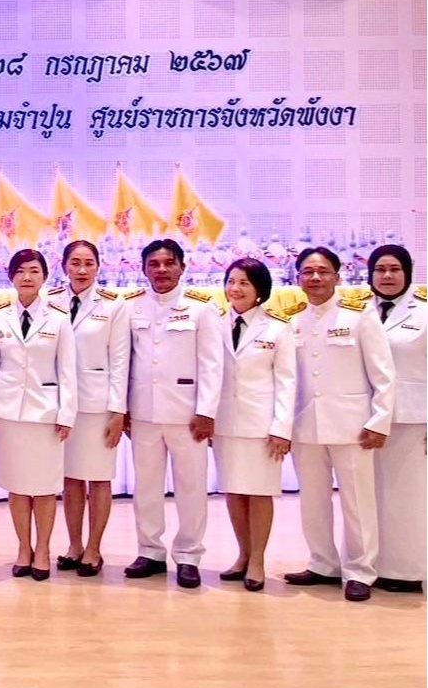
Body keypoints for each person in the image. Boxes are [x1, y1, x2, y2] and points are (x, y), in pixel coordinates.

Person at [284, 246, 394, 602]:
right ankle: (322, 563)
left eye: (323, 272)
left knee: (358, 502)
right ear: (297, 278)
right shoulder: (293, 321)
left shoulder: (360, 317)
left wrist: (380, 420)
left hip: (353, 427)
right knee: (312, 500)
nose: (315, 278)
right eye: (307, 272)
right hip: (305, 426)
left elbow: (383, 374)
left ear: (337, 275)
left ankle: (361, 570)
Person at [123, 238, 223, 590]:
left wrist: (207, 411)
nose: (161, 270)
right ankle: (149, 551)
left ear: (182, 267)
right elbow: (124, 362)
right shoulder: (132, 307)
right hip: (144, 412)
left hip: (187, 414)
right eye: (154, 264)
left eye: (168, 263)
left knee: (191, 487)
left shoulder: (201, 308)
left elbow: (213, 364)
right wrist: (123, 409)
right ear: (144, 269)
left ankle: (189, 555)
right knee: (146, 487)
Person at [0, 250, 76, 581]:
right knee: (16, 485)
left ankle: (43, 549)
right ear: (11, 276)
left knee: (43, 486)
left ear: (44, 277)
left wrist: (67, 413)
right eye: (21, 271)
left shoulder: (59, 319)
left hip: (45, 414)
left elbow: (68, 372)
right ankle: (23, 548)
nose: (27, 277)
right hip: (10, 414)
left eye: (34, 271)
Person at [213, 258, 296, 593]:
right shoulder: (215, 323)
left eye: (244, 282)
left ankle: (259, 559)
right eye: (231, 281)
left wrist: (281, 428)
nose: (236, 288)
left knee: (259, 493)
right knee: (234, 490)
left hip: (262, 427)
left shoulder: (278, 329)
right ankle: (242, 554)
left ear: (260, 289)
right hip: (224, 424)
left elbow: (287, 382)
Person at [52, 240, 130, 578]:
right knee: (70, 479)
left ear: (99, 266)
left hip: (98, 405)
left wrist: (118, 410)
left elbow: (121, 359)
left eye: (88, 263)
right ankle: (74, 545)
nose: (81, 270)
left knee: (98, 479)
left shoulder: (114, 306)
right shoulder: (50, 300)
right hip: (60, 406)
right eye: (75, 263)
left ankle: (95, 548)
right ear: (65, 266)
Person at [367, 245, 425, 593]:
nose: (387, 276)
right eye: (380, 270)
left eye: (394, 269)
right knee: (368, 496)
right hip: (367, 420)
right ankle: (367, 564)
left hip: (412, 418)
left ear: (407, 273)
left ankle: (407, 569)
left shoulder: (424, 313)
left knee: (408, 496)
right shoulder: (357, 312)